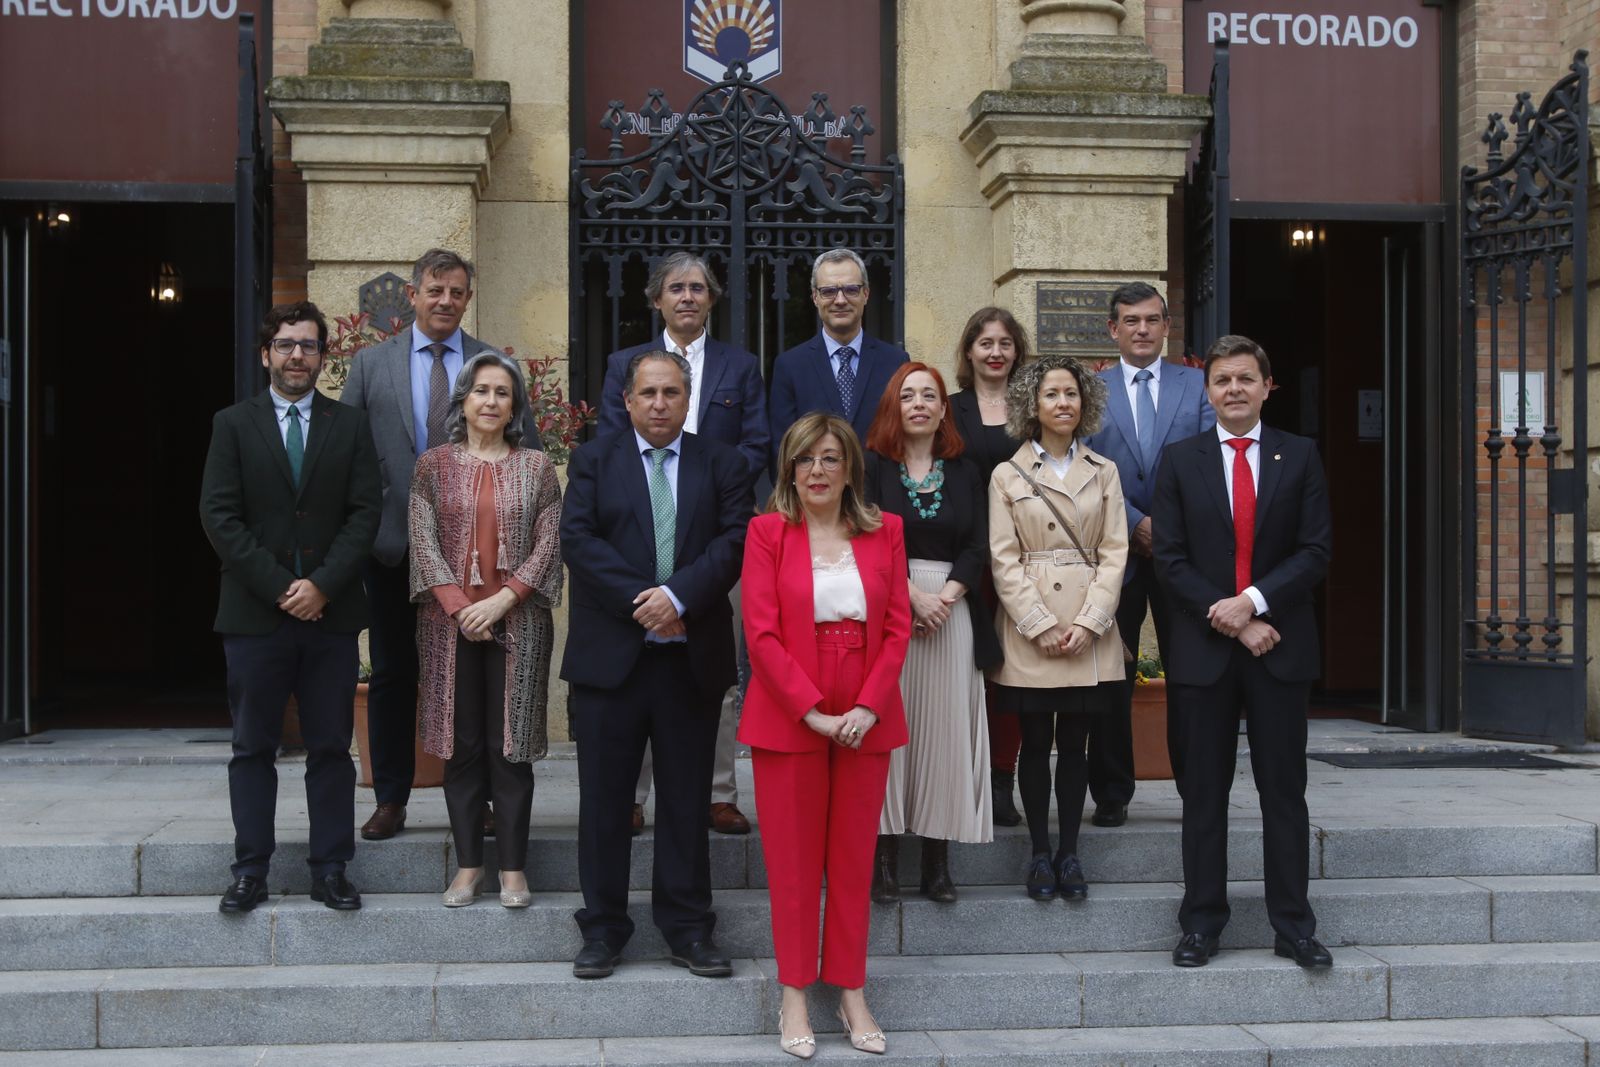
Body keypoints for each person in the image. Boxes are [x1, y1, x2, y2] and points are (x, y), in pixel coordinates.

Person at [560, 350, 752, 981]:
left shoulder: (721, 462)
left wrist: (679, 598)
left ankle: (689, 928)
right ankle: (604, 929)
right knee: (606, 804)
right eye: (649, 393)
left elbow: (734, 540)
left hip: (688, 660)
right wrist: (643, 601)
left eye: (672, 392)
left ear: (687, 398)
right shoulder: (593, 461)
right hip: (611, 661)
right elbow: (578, 540)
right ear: (628, 400)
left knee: (685, 800)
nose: (660, 403)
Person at [340, 248, 540, 842]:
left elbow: (521, 448)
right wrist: (365, 531)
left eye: (456, 292)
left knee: (473, 684)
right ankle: (391, 798)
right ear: (413, 294)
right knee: (395, 674)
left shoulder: (490, 365)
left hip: (475, 558)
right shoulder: (371, 365)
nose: (445, 301)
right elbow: (349, 454)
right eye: (435, 290)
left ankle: (475, 799)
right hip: (393, 550)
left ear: (467, 298)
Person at [1153, 334, 1333, 970]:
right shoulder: (1180, 459)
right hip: (1205, 651)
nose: (1233, 390)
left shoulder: (1300, 455)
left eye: (1245, 380)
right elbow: (1169, 559)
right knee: (1204, 794)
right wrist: (1232, 621)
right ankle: (1201, 923)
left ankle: (1294, 926)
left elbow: (1315, 552)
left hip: (1280, 646)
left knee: (1283, 792)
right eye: (1222, 381)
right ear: (1208, 392)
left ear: (1266, 387)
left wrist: (1252, 604)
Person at [199, 300, 380, 914]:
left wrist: (322, 585)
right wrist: (282, 586)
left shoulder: (350, 425)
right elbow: (218, 516)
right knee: (253, 747)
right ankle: (250, 869)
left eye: (307, 345)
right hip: (255, 616)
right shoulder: (232, 424)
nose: (296, 355)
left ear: (323, 357)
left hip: (330, 616)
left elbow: (365, 514)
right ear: (265, 354)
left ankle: (331, 869)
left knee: (331, 747)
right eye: (285, 344)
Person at [740, 413, 910, 1058]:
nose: (817, 470)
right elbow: (761, 632)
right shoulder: (766, 533)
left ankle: (850, 988)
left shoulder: (885, 530)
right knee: (791, 862)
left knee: (851, 860)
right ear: (789, 468)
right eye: (805, 459)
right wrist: (810, 711)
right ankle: (792, 994)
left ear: (850, 470)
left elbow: (896, 628)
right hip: (791, 705)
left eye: (831, 459)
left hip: (866, 698)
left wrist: (867, 706)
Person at [596, 252, 767, 837]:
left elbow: (756, 444)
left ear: (711, 299)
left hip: (714, 537)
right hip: (641, 541)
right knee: (638, 668)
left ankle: (718, 792)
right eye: (677, 288)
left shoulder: (739, 366)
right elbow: (611, 449)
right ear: (656, 299)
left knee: (713, 671)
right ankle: (636, 795)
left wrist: (704, 490)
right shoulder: (624, 363)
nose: (688, 296)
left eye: (698, 287)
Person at [409, 353, 563, 909]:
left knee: (511, 747)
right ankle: (470, 865)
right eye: (481, 391)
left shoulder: (537, 469)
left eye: (503, 393)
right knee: (464, 746)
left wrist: (502, 599)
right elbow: (422, 542)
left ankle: (515, 868)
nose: (491, 401)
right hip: (448, 629)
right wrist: (458, 605)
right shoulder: (432, 466)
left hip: (517, 623)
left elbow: (550, 543)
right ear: (463, 402)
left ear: (515, 406)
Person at [988, 354, 1127, 902]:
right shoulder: (1007, 473)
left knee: (1076, 746)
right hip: (1032, 627)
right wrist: (1037, 622)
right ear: (1032, 404)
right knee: (1034, 742)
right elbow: (1003, 558)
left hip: (1089, 626)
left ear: (1084, 403)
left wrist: (1092, 621)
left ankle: (1071, 854)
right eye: (1051, 394)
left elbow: (1115, 552)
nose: (1063, 403)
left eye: (1071, 393)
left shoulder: (1105, 470)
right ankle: (1039, 854)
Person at [862, 362, 996, 905]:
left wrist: (945, 597)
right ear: (894, 406)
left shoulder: (965, 471)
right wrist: (910, 597)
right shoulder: (872, 467)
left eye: (930, 396)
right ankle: (885, 858)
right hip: (890, 606)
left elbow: (978, 543)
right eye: (908, 395)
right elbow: (864, 538)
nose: (919, 404)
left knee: (942, 732)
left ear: (945, 409)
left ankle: (938, 863)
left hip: (951, 610)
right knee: (889, 735)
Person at [1083, 282, 1215, 825]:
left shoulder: (1197, 384)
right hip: (1115, 553)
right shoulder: (1092, 390)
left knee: (1190, 673)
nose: (1143, 329)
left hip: (1182, 555)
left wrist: (1168, 530)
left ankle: (1195, 789)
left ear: (1166, 326)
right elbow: (1084, 467)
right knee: (1111, 674)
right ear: (1113, 329)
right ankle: (1112, 792)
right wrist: (1137, 524)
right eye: (1131, 321)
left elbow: (1210, 463)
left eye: (1153, 320)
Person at [947, 307, 1030, 828]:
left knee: (1011, 674)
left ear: (1017, 351)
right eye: (985, 343)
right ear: (970, 352)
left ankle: (1003, 781)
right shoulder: (949, 410)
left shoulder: (1034, 408)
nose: (995, 352)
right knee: (964, 670)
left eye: (1004, 343)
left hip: (1023, 559)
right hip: (967, 556)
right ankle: (960, 778)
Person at [767, 247, 909, 450]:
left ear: (866, 294)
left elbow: (905, 439)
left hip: (879, 481)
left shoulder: (896, 362)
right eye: (829, 291)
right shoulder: (790, 366)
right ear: (815, 297)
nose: (840, 300)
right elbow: (781, 448)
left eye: (851, 290)